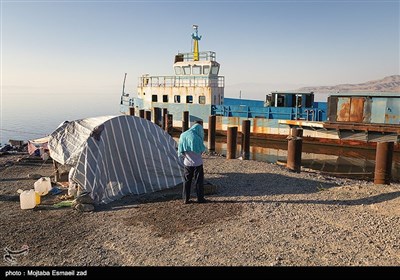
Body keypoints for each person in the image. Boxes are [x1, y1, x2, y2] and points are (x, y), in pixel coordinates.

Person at [178, 120, 207, 204]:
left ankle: (185, 199)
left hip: (187, 162)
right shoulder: (197, 138)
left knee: (187, 181)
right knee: (198, 181)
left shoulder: (183, 135)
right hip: (197, 163)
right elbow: (201, 150)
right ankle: (200, 199)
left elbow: (181, 150)